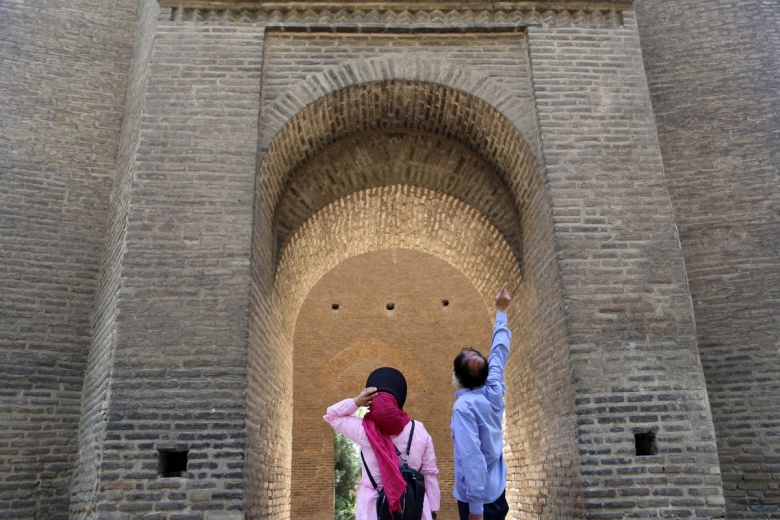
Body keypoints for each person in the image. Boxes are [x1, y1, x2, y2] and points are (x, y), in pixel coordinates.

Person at [324, 367, 441, 520]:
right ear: (400, 398)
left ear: (371, 401)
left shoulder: (364, 431)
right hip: (414, 508)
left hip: (373, 509)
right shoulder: (418, 430)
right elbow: (429, 473)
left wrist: (356, 402)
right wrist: (432, 509)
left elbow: (332, 416)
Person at [451, 283, 512, 520]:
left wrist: (475, 509)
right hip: (497, 491)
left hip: (479, 501)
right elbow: (499, 350)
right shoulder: (494, 386)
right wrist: (501, 311)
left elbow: (472, 458)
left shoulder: (463, 408)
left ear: (458, 378)